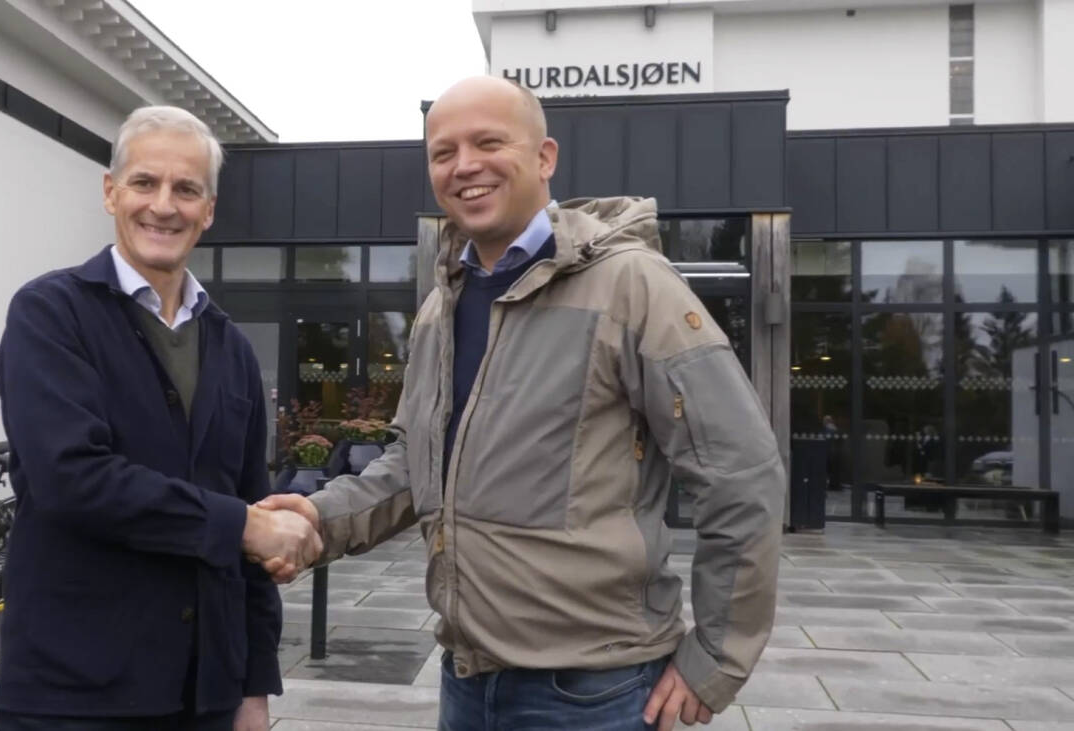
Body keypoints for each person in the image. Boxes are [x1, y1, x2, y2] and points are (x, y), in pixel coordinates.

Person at [258, 76, 785, 731]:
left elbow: (741, 469)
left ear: (544, 157)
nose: (464, 166)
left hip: (596, 695)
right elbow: (415, 468)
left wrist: (716, 659)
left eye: (488, 142)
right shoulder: (438, 310)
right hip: (467, 682)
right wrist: (314, 516)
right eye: (443, 151)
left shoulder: (631, 286)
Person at [0, 106, 321, 731]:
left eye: (186, 189)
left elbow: (251, 504)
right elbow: (72, 479)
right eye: (145, 183)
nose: (163, 206)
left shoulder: (232, 349)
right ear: (111, 192)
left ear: (209, 209)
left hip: (206, 698)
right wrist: (242, 527)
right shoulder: (50, 314)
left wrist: (254, 688)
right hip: (74, 697)